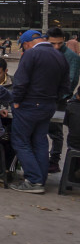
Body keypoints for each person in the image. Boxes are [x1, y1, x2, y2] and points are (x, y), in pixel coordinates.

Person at [9, 29, 69, 193]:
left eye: (24, 47)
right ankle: (40, 180)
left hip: (29, 105)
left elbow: (20, 82)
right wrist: (52, 99)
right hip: (48, 105)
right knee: (40, 141)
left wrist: (16, 101)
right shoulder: (59, 56)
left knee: (21, 141)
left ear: (27, 43)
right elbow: (66, 86)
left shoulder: (31, 55)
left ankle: (33, 180)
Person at [47, 27, 80, 171]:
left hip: (59, 100)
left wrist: (60, 97)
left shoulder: (72, 57)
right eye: (53, 43)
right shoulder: (45, 53)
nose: (56, 47)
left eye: (59, 43)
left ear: (64, 41)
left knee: (56, 130)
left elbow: (72, 81)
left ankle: (54, 160)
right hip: (43, 98)